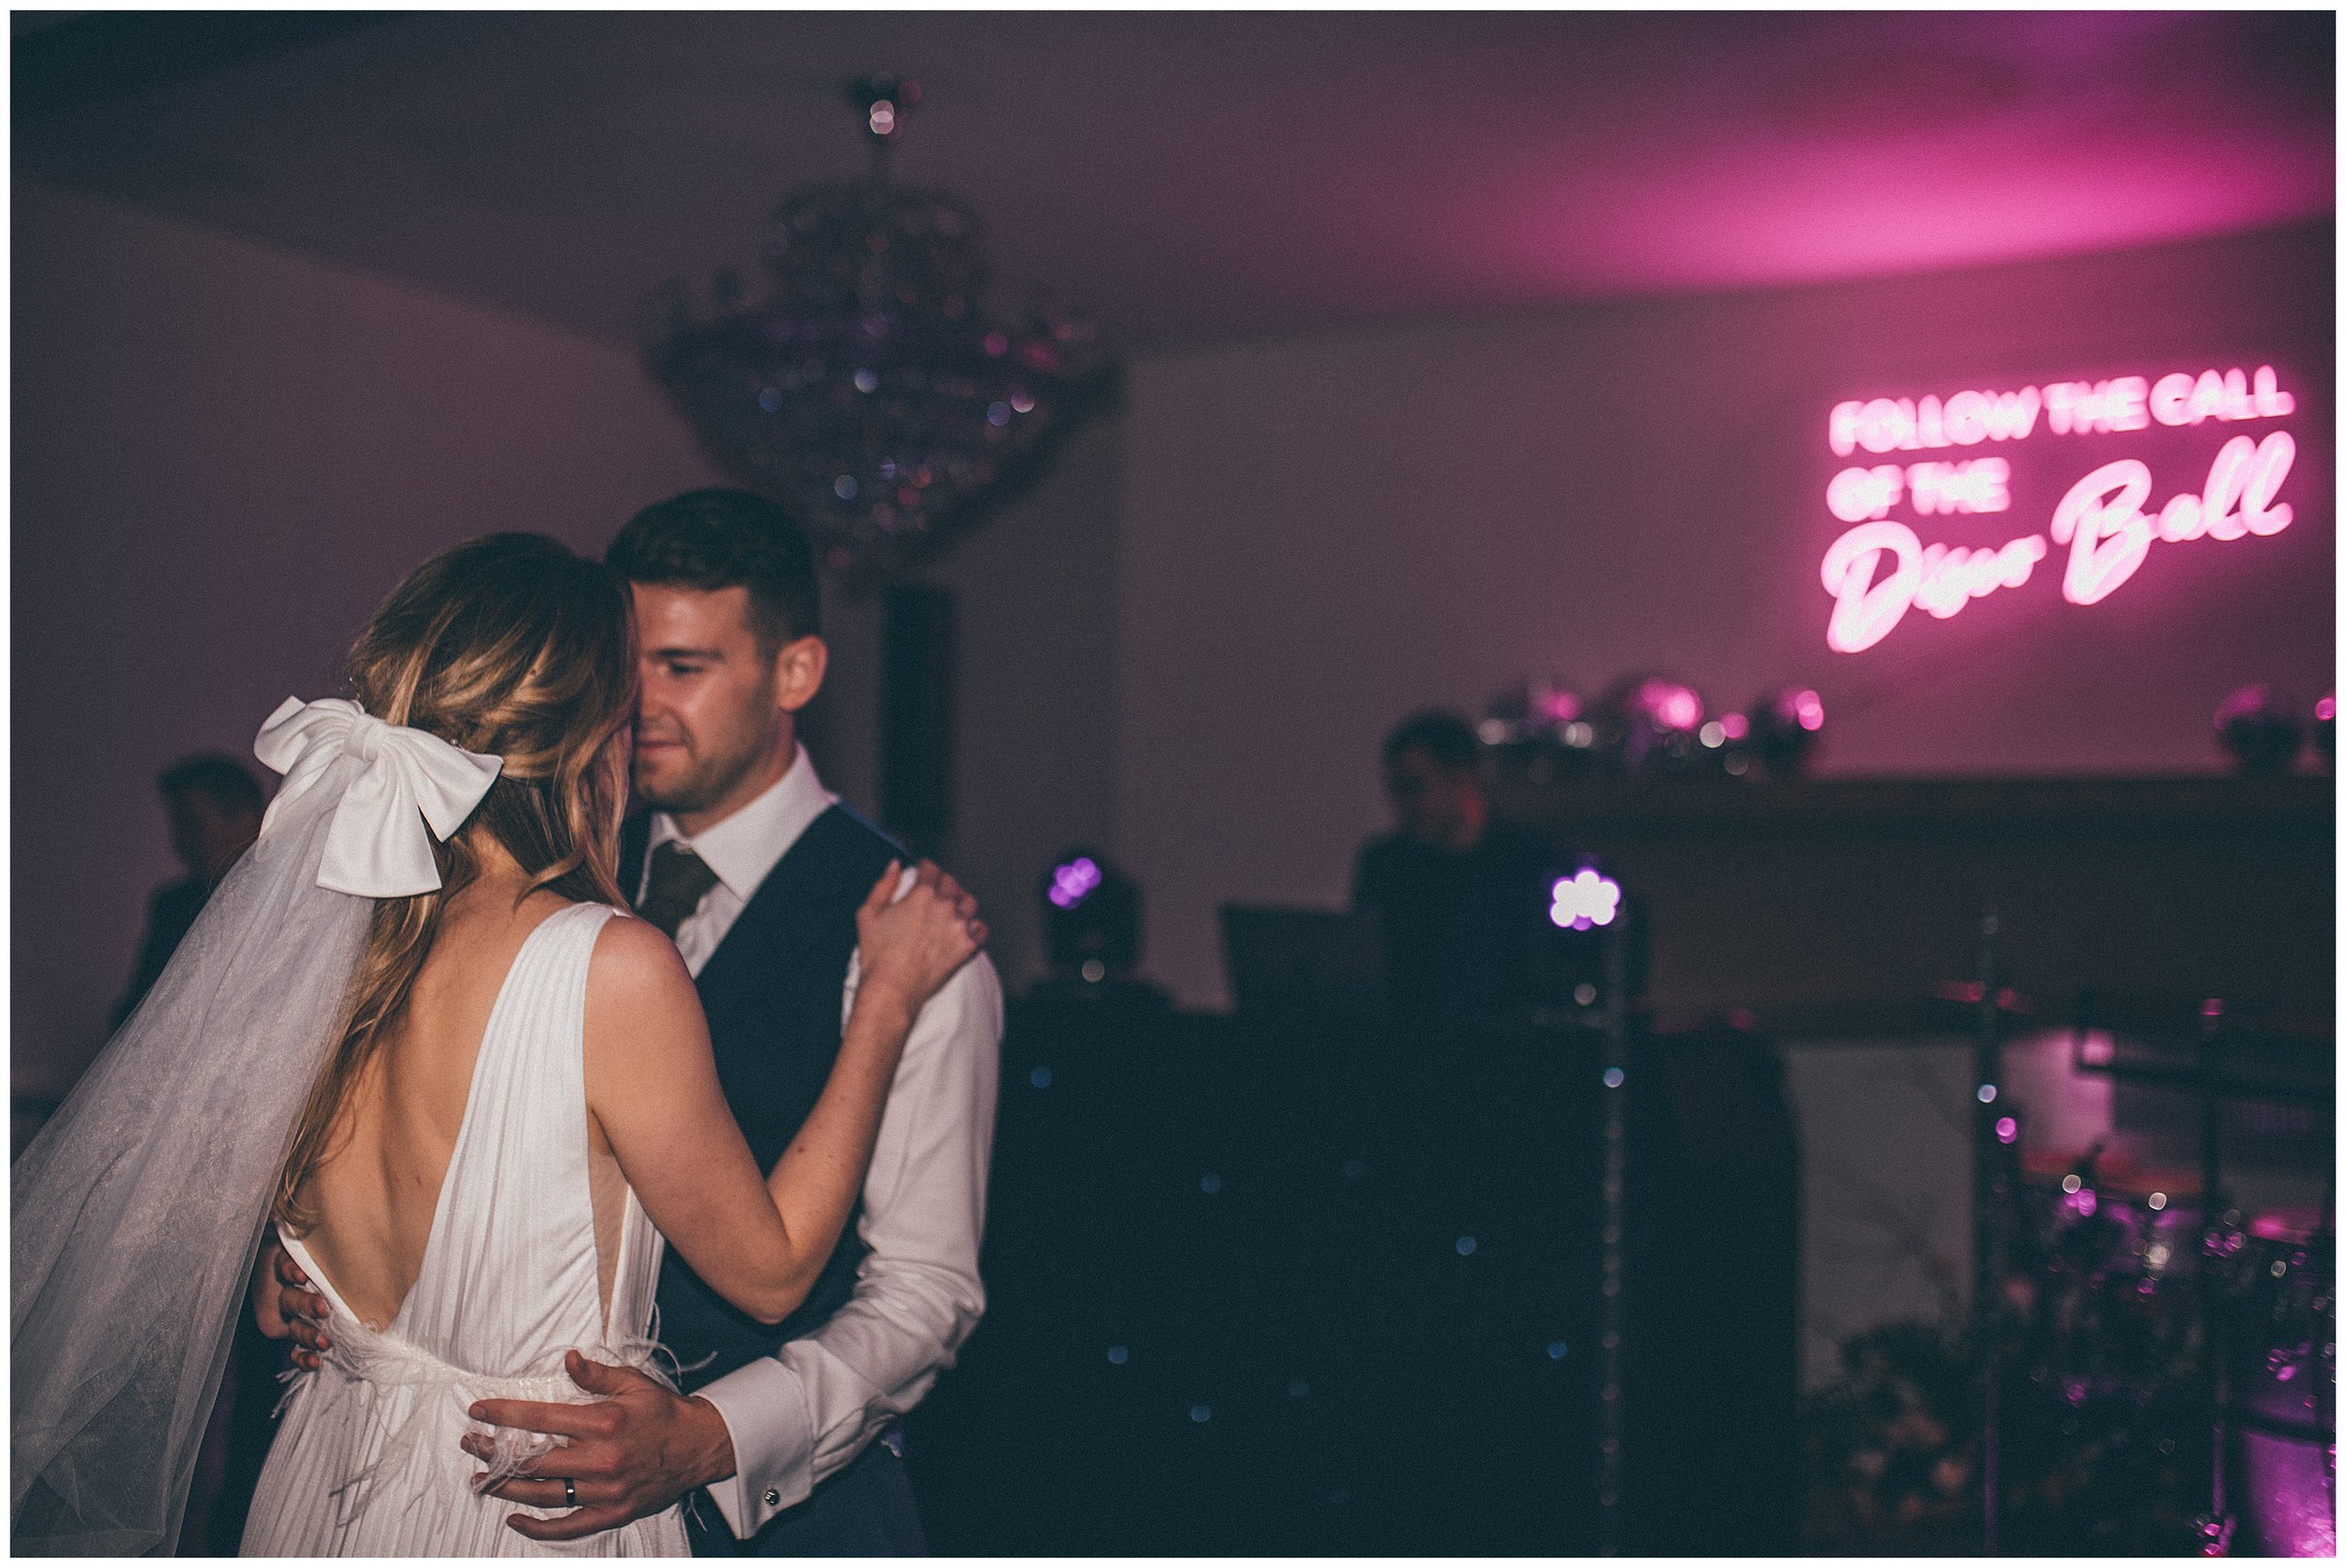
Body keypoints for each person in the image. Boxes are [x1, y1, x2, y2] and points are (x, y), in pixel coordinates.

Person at [11, 533, 986, 1556]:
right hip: (518, 1504)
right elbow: (775, 1273)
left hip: (320, 1489)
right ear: (594, 735)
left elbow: (290, 1248)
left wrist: (289, 1267)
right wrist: (884, 1002)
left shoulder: (343, 938)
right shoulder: (611, 964)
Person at [284, 491, 1006, 1553]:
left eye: (685, 666)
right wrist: (328, 1284)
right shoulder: (531, 874)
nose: (641, 703)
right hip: (488, 1491)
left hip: (782, 1520)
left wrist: (718, 1436)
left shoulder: (906, 931)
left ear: (795, 673)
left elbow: (924, 1291)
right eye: (624, 667)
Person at [1349, 708, 1555, 1018]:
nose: (1402, 804)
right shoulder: (1387, 864)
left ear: (1463, 776)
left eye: (1415, 786)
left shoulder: (1528, 863)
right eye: (1396, 789)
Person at [111, 754, 266, 1030]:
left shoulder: (282, 897)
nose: (179, 842)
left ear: (245, 819)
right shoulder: (172, 906)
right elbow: (132, 1013)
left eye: (192, 825)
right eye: (178, 826)